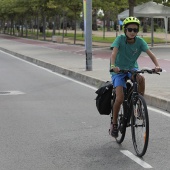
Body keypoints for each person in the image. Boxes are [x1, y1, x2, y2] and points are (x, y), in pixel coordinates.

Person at [109, 16, 161, 138]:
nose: (132, 32)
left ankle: (138, 104)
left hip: (132, 68)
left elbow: (151, 55)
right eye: (130, 29)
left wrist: (157, 65)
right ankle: (115, 124)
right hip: (118, 70)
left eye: (135, 30)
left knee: (141, 79)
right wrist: (113, 66)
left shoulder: (140, 42)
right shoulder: (120, 39)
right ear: (125, 30)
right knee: (120, 98)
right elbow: (113, 53)